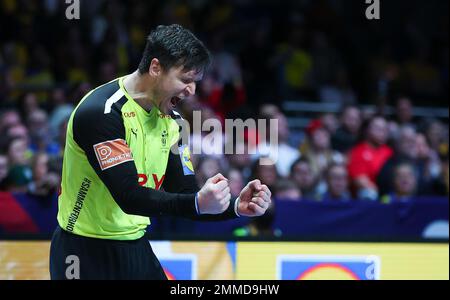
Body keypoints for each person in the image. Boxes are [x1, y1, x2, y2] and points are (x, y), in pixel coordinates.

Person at [50, 24, 272, 280]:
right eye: (185, 80)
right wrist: (198, 203)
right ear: (156, 68)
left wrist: (235, 207)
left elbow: (186, 195)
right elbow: (129, 196)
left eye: (195, 82)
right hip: (82, 251)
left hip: (135, 246)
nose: (192, 91)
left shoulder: (174, 121)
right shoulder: (102, 112)